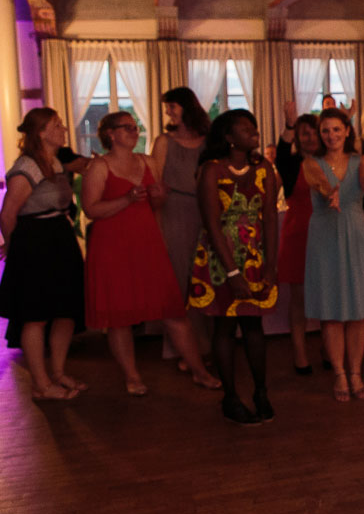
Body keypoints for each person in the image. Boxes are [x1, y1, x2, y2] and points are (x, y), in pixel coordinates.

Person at [82, 112, 216, 395]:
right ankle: (132, 376)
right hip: (113, 246)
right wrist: (126, 199)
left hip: (146, 241)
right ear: (111, 134)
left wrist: (159, 195)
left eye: (135, 127)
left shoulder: (146, 162)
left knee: (172, 309)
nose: (134, 131)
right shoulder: (99, 166)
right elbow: (91, 209)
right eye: (127, 128)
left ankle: (198, 370)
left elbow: (158, 204)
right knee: (119, 318)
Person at [302, 109, 364, 402]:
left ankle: (356, 372)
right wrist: (328, 192)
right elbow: (320, 183)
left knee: (358, 312)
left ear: (347, 131)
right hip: (324, 237)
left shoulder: (361, 161)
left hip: (356, 234)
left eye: (336, 130)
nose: (331, 136)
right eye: (325, 131)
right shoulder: (311, 162)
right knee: (332, 312)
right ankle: (339, 374)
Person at [189, 110, 279, 425]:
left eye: (254, 126)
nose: (253, 131)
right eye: (245, 127)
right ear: (228, 137)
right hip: (221, 257)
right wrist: (231, 272)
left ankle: (261, 392)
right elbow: (211, 224)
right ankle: (229, 397)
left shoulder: (264, 168)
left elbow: (270, 218)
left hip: (254, 254)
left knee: (254, 326)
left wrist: (271, 265)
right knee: (225, 327)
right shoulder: (212, 170)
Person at [0, 108, 85, 400]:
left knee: (66, 311)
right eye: (57, 125)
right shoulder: (28, 166)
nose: (63, 129)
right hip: (34, 242)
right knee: (34, 316)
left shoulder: (58, 162)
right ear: (41, 132)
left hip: (59, 238)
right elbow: (8, 213)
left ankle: (58, 372)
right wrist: (14, 247)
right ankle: (41, 383)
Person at [151, 87, 213, 368]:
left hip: (204, 211)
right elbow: (155, 182)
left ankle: (204, 345)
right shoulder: (164, 141)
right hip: (174, 212)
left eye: (172, 106)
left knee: (203, 279)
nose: (168, 112)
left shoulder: (208, 140)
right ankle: (182, 349)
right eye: (167, 108)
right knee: (179, 280)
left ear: (187, 107)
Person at [275, 101, 321, 374]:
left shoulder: (332, 162)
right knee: (300, 299)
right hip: (299, 236)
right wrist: (290, 125)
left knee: (330, 296)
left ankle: (329, 348)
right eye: (305, 133)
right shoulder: (291, 164)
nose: (311, 137)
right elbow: (281, 151)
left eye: (314, 132)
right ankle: (300, 353)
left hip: (327, 235)